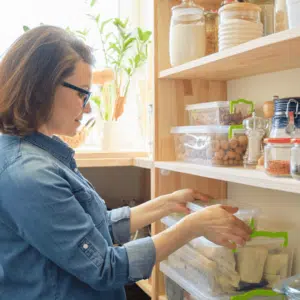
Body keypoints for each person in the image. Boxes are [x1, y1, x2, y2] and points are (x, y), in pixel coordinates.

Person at [0, 26, 251, 300]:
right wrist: (193, 226)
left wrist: (167, 204)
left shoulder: (40, 156)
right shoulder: (29, 175)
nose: (88, 108)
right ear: (43, 87)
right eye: (82, 93)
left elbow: (93, 230)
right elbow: (105, 267)